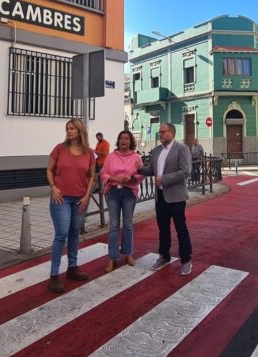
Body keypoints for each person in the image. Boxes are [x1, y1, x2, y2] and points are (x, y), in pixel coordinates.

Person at [46, 118, 96, 293]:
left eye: (72, 128)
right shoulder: (59, 149)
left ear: (80, 131)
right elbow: (49, 170)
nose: (69, 131)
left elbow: (92, 175)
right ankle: (54, 275)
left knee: (75, 233)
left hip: (80, 199)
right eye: (67, 128)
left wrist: (87, 195)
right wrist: (53, 187)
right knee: (61, 234)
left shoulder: (89, 153)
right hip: (61, 199)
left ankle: (72, 268)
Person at [136, 123, 193, 275]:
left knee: (181, 229)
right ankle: (164, 256)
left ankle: (186, 260)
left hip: (176, 196)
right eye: (159, 132)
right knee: (163, 229)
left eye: (163, 132)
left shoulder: (182, 149)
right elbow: (153, 171)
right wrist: (140, 168)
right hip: (160, 196)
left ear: (172, 133)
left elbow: (185, 171)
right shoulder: (156, 151)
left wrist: (164, 179)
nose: (160, 134)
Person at [100, 130, 144, 273]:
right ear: (118, 141)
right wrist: (115, 179)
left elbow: (141, 175)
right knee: (113, 225)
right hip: (113, 192)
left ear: (131, 141)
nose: (123, 141)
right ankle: (112, 257)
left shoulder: (137, 157)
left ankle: (129, 253)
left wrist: (131, 179)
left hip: (129, 192)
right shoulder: (110, 157)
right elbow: (103, 174)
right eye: (121, 138)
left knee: (128, 223)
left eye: (126, 138)